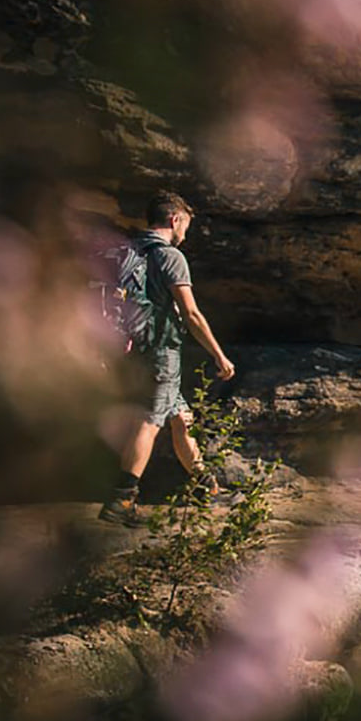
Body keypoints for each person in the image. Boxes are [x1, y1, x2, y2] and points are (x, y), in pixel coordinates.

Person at [100, 191, 237, 526]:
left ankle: (206, 488)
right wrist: (219, 355)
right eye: (185, 226)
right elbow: (190, 313)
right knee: (150, 420)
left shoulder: (129, 252)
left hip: (135, 350)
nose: (186, 234)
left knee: (180, 417)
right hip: (163, 351)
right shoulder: (170, 256)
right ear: (175, 220)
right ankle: (122, 500)